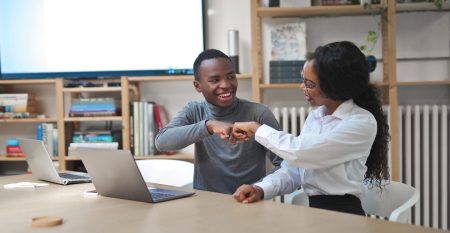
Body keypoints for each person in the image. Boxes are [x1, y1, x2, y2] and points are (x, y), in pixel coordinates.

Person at [230, 41, 390, 215]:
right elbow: (294, 169)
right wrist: (261, 189)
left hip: (344, 214)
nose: (302, 87)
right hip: (315, 212)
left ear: (334, 86)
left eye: (309, 84)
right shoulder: (316, 116)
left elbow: (301, 152)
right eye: (303, 80)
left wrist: (256, 128)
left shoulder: (361, 122)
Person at [155, 49, 283, 194]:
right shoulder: (194, 111)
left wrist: (259, 188)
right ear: (198, 86)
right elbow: (162, 142)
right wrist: (209, 126)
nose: (226, 85)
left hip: (249, 203)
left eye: (231, 77)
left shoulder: (259, 114)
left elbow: (285, 164)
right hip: (207, 205)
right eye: (215, 80)